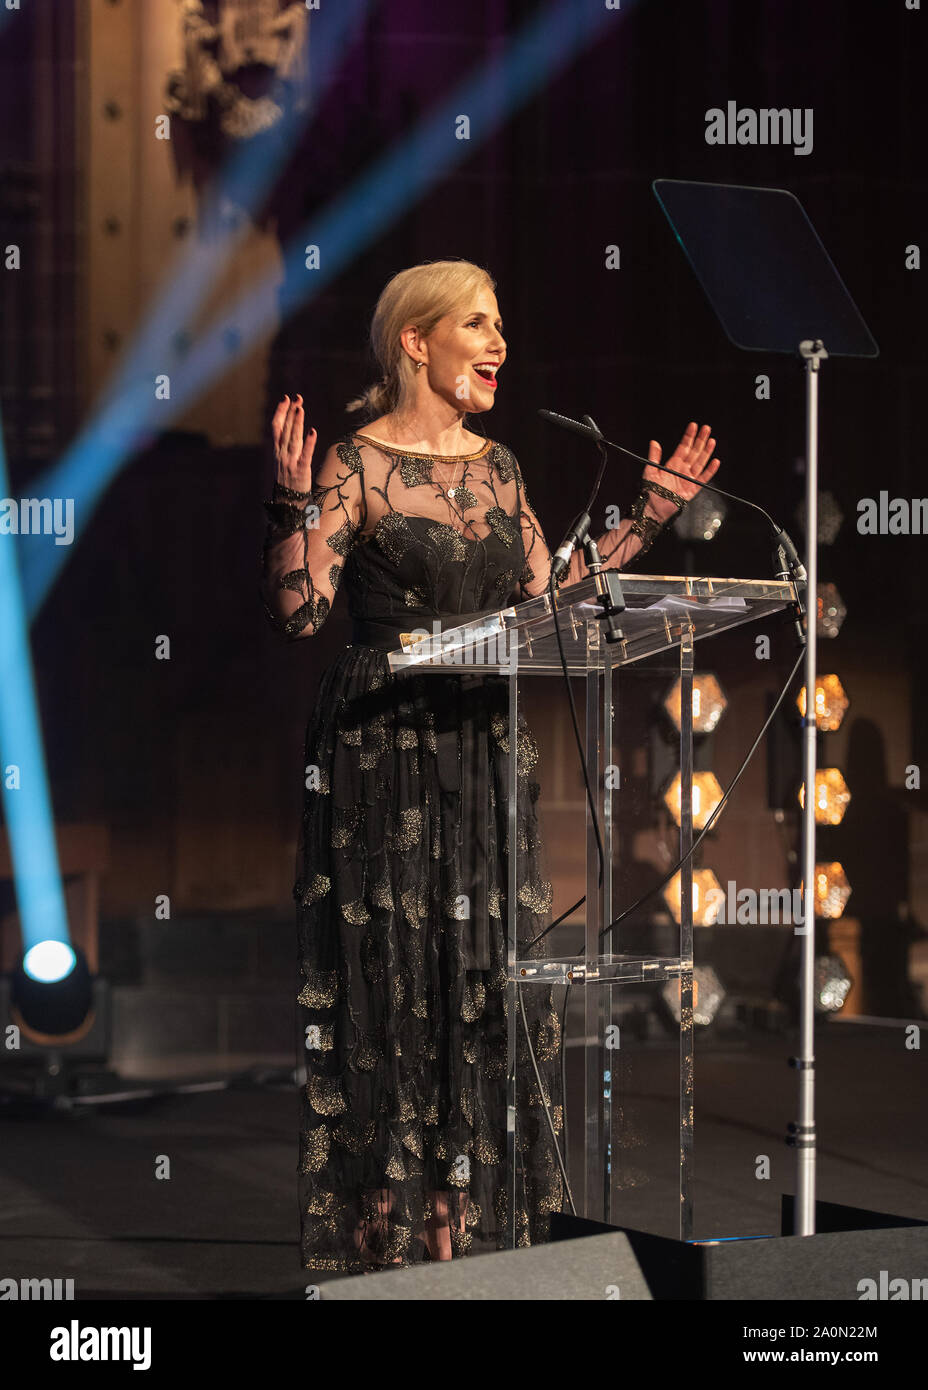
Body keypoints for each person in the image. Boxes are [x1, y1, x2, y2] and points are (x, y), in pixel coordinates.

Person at [260, 258, 720, 1273]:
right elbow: (300, 614)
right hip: (380, 746)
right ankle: (384, 1236)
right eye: (478, 324)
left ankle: (457, 1230)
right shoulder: (356, 462)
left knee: (479, 981)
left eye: (501, 325)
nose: (499, 343)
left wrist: (648, 513)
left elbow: (549, 595)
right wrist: (296, 507)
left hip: (480, 745)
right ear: (415, 342)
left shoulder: (501, 466)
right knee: (388, 984)